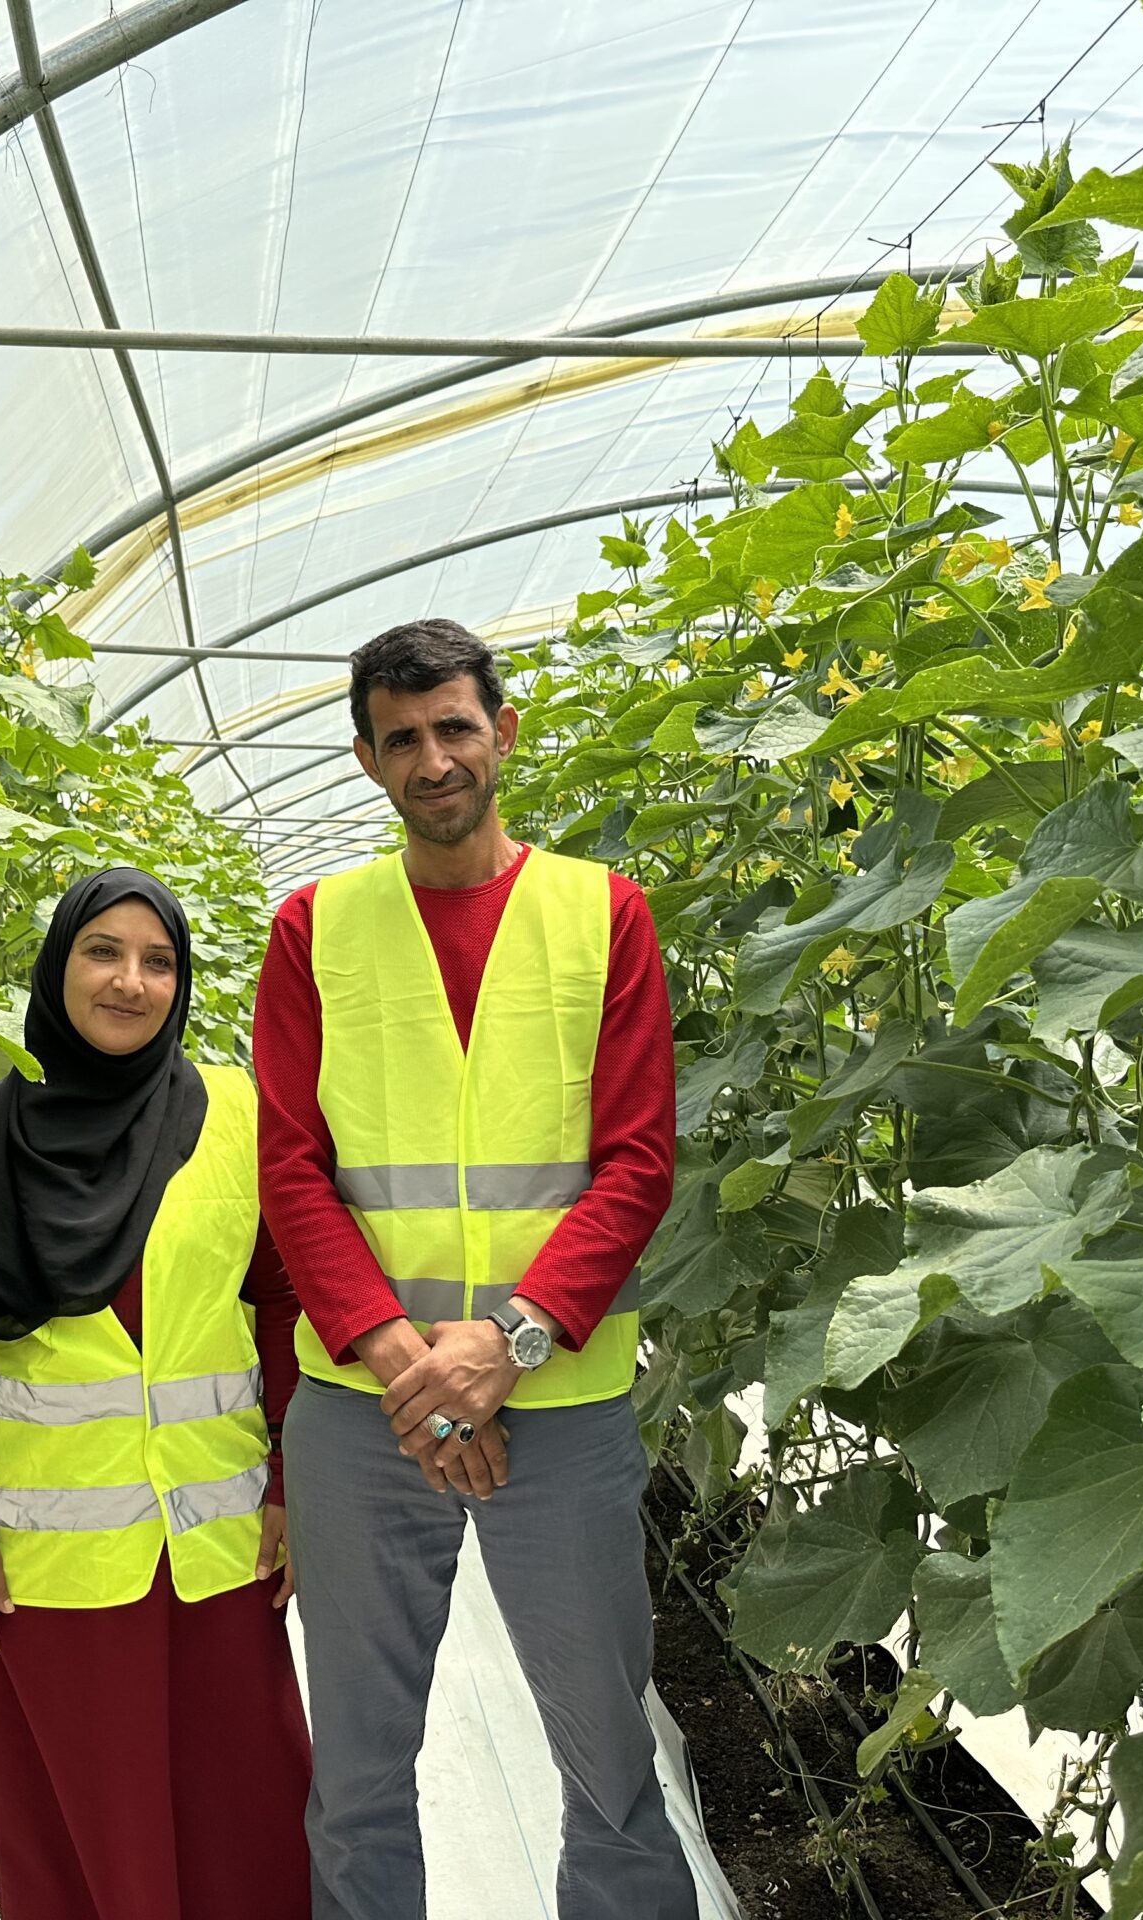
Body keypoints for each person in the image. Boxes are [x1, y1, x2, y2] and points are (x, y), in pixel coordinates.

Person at [253, 618, 697, 1919]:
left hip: (549, 1399)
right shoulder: (312, 930)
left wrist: (507, 1342)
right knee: (361, 1771)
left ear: (503, 731)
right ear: (366, 760)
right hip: (364, 1409)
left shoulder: (598, 913)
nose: (433, 757)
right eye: (402, 739)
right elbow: (295, 1170)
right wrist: (410, 1365)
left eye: (454, 727)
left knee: (610, 1760)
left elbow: (636, 1162)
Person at [0, 867, 312, 1920]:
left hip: (219, 1558)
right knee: (85, 1844)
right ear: (58, 963)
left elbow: (279, 1303)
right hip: (45, 1574)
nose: (130, 982)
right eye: (103, 952)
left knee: (249, 1823)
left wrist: (292, 1484)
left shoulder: (233, 1112)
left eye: (158, 961)